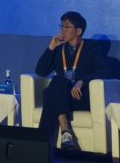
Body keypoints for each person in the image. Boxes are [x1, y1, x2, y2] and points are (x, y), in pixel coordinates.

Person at [34, 11, 108, 152]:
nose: (63, 30)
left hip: (80, 97)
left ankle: (40, 145)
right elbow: (41, 71)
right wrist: (51, 47)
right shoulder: (59, 48)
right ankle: (65, 131)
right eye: (62, 26)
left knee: (49, 94)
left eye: (67, 27)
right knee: (57, 81)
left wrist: (82, 81)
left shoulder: (91, 48)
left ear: (79, 31)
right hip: (62, 96)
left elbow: (104, 71)